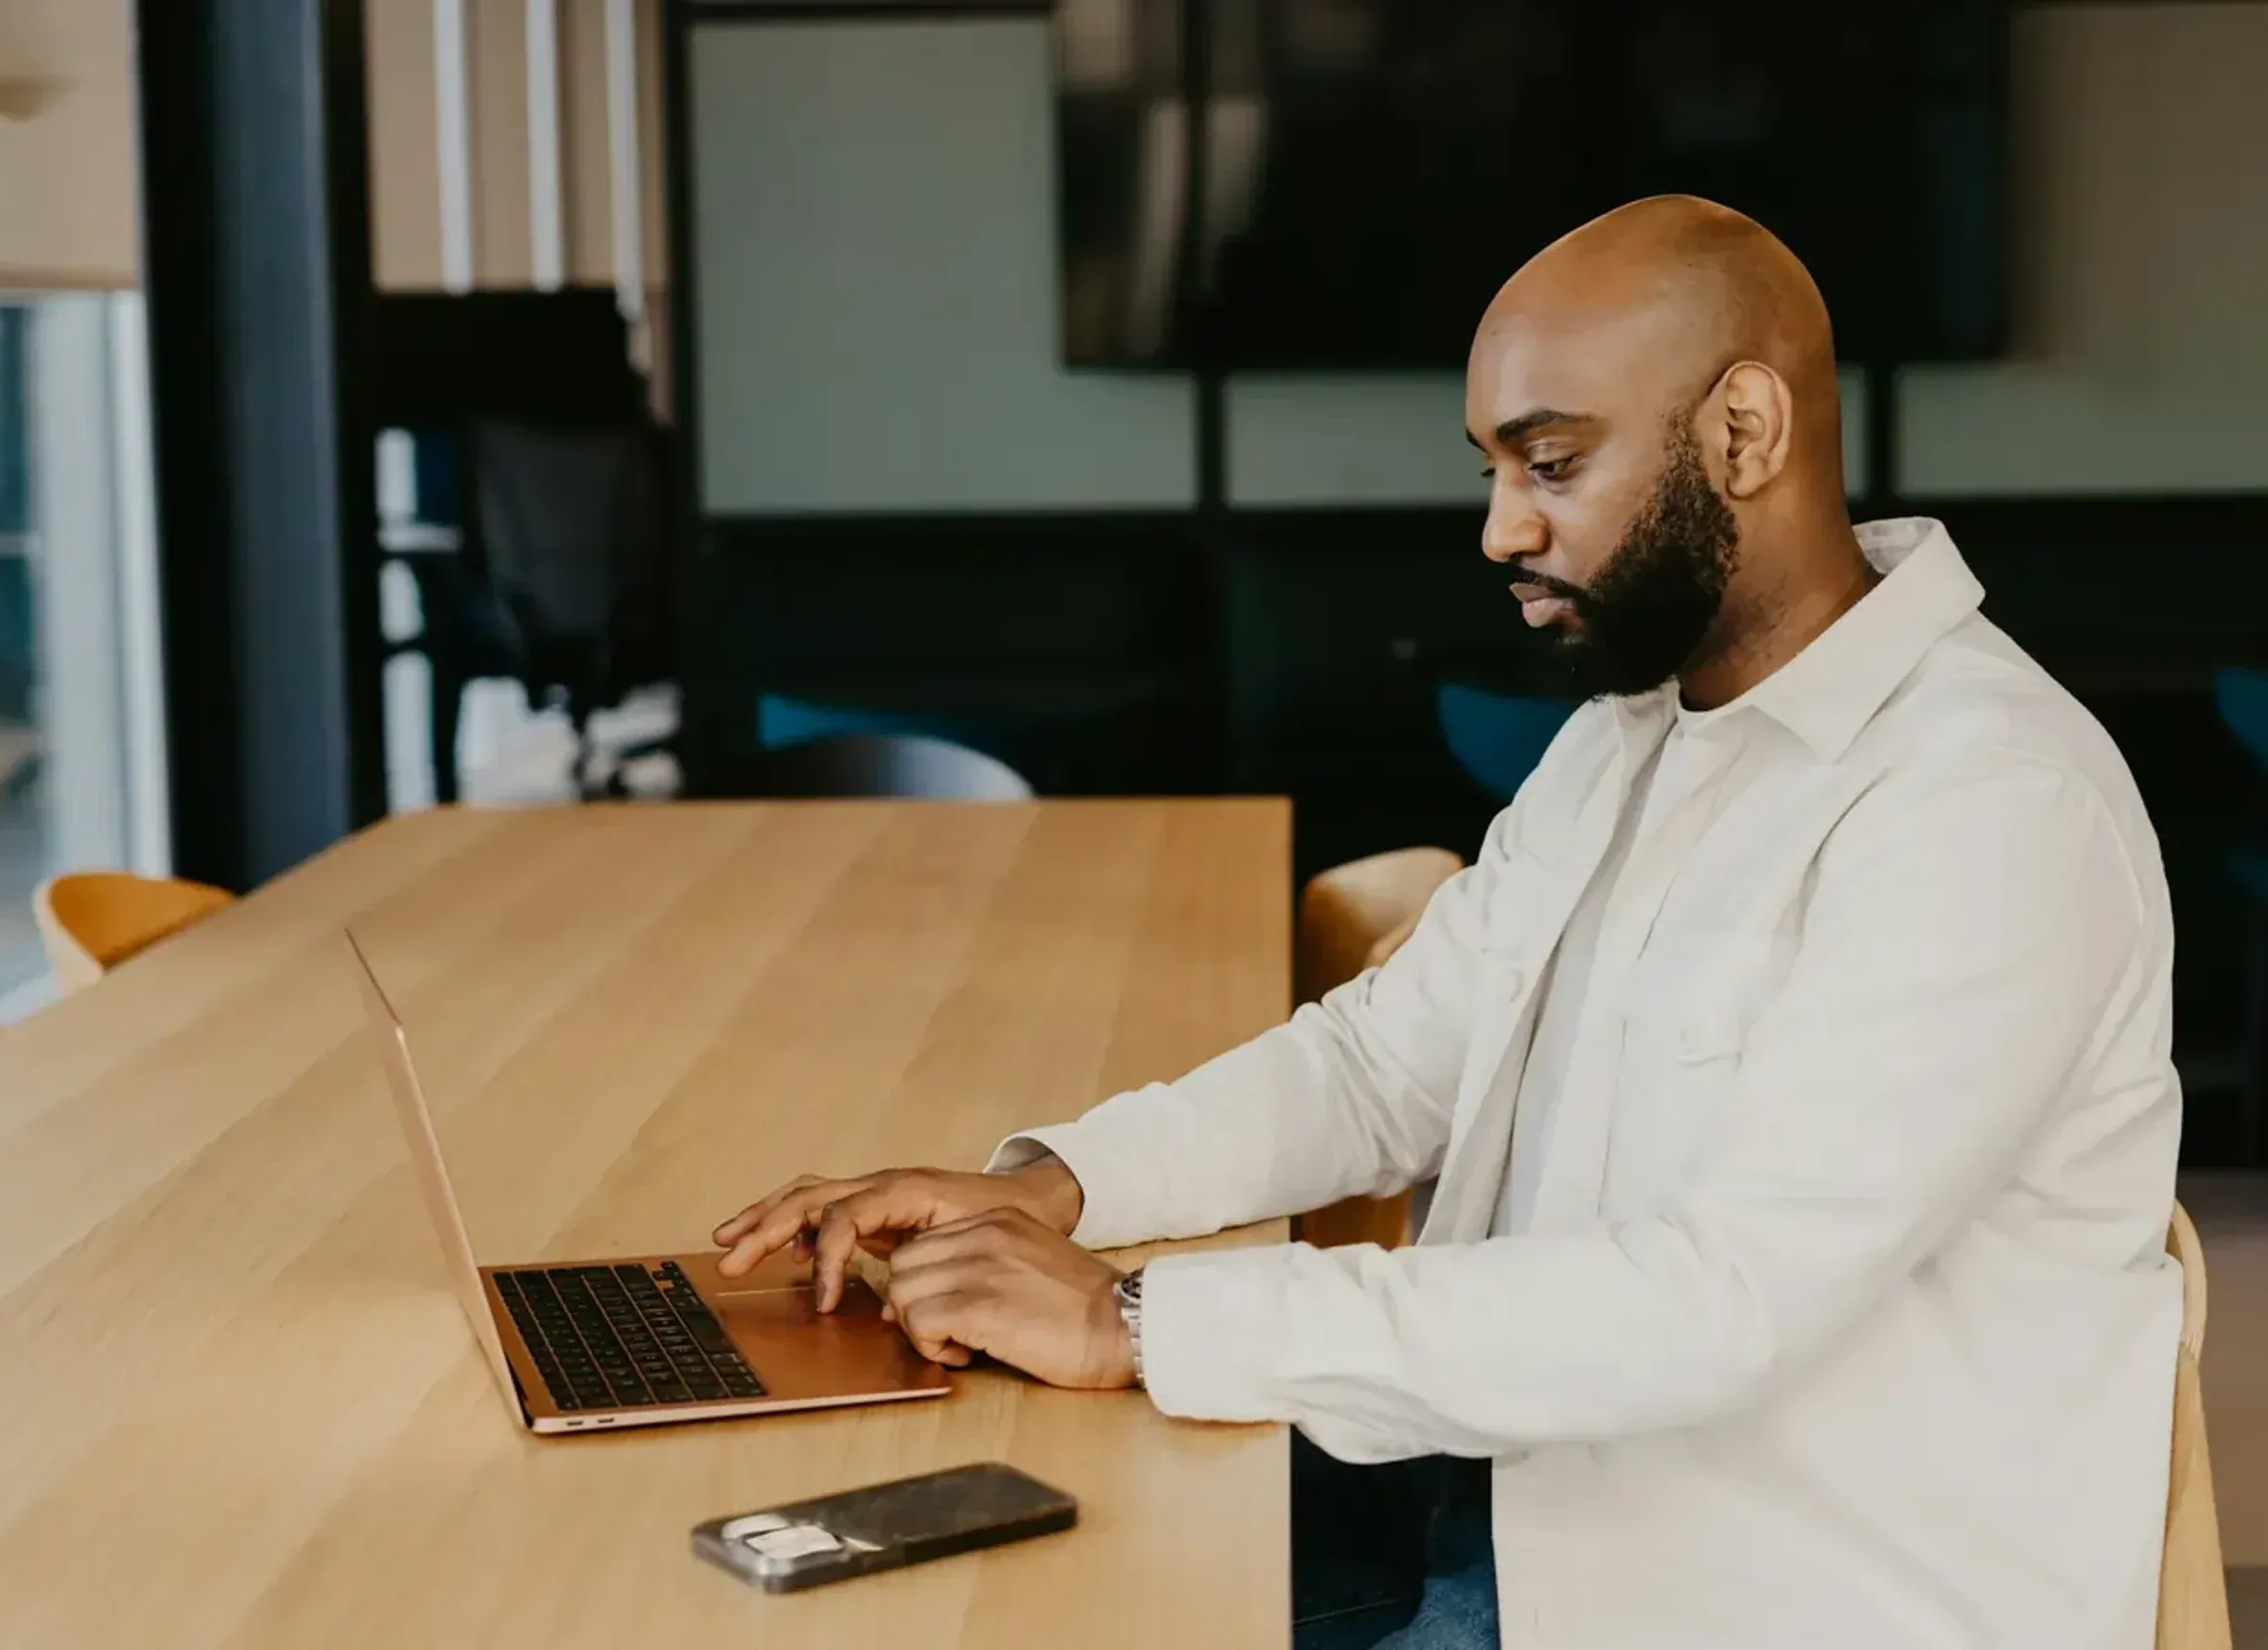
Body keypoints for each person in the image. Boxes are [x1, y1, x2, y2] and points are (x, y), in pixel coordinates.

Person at [710, 197, 2185, 1649]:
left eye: (1548, 462)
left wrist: (1138, 1323)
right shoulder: (1635, 736)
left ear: (1744, 434)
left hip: (1766, 1590)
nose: (1498, 529)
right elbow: (1381, 1066)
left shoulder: (1984, 804)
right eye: (1492, 469)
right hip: (1508, 1501)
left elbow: (1722, 1302)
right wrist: (1054, 1190)